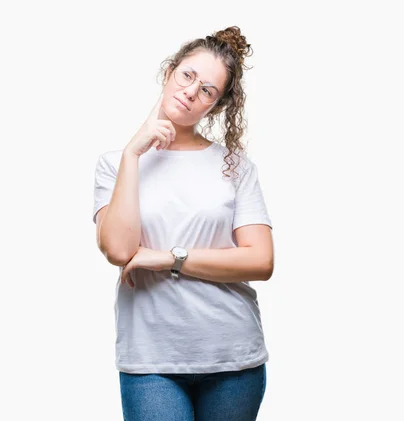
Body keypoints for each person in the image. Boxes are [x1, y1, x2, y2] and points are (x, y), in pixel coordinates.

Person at [92, 26, 274, 421]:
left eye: (207, 90)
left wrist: (166, 258)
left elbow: (261, 262)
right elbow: (119, 251)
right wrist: (132, 155)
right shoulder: (115, 164)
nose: (192, 92)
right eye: (187, 76)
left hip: (233, 359)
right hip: (151, 361)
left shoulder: (235, 167)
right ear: (170, 71)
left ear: (217, 105)